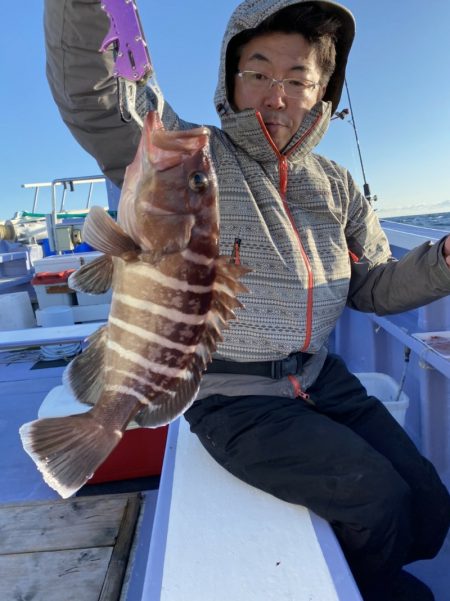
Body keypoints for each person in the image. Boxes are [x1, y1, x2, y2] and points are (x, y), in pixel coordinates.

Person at [44, 1, 450, 599]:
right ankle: (372, 585)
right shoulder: (193, 155)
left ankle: (374, 572)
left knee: (430, 505)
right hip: (233, 396)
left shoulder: (337, 185)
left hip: (321, 378)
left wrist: (441, 263)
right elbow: (101, 92)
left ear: (322, 92)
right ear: (230, 79)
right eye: (258, 72)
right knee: (377, 499)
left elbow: (372, 285)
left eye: (297, 79)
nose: (276, 94)